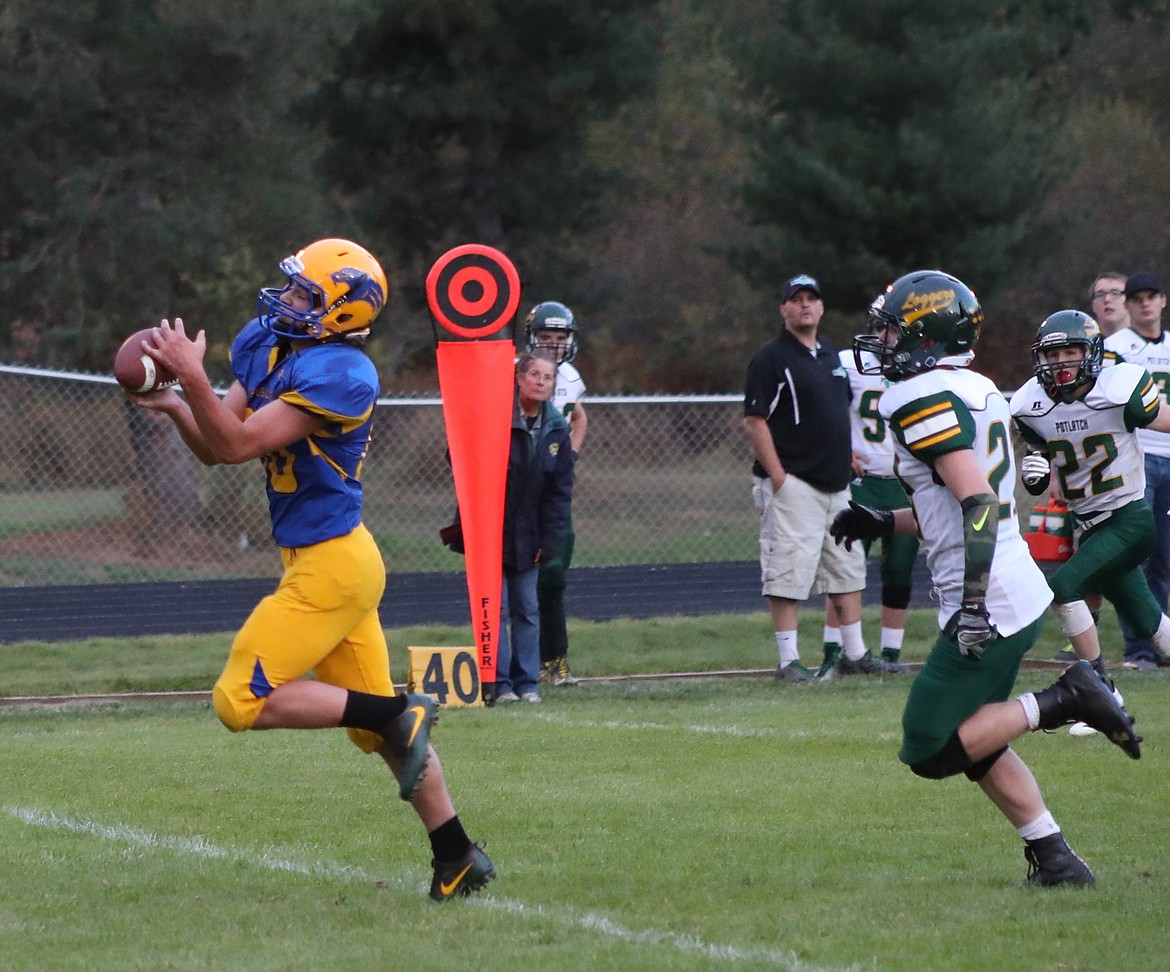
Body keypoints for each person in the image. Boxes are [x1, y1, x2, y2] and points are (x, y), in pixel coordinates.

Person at [126, 238, 494, 902]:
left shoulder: (344, 375)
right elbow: (221, 447)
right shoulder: (269, 343)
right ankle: (458, 855)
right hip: (335, 563)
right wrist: (185, 404)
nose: (288, 300)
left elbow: (236, 441)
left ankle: (398, 709)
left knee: (238, 700)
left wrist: (188, 372)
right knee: (374, 731)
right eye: (291, 287)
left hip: (334, 568)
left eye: (306, 295)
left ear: (346, 313)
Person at [831, 269, 1141, 888]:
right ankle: (1055, 859)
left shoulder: (915, 396)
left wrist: (971, 604)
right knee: (979, 741)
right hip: (1013, 583)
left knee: (928, 745)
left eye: (894, 331)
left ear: (927, 333)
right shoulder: (974, 386)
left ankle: (1067, 697)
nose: (882, 343)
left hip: (990, 595)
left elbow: (976, 503)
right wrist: (883, 519)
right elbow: (951, 503)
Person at [1011, 309, 1170, 735]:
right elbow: (1042, 446)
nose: (1060, 362)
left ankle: (1100, 688)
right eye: (1052, 354)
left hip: (1129, 519)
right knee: (1156, 632)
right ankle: (1106, 693)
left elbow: (1163, 419)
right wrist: (1038, 464)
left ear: (1092, 352)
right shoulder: (1031, 403)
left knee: (1063, 586)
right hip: (1091, 524)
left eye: (1070, 351)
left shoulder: (1120, 388)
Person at [743, 274, 893, 683]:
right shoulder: (771, 357)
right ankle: (788, 660)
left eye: (812, 298)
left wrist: (847, 454)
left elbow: (836, 413)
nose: (805, 305)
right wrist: (778, 477)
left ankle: (855, 654)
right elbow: (756, 420)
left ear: (822, 307)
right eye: (797, 299)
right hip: (796, 482)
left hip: (836, 482)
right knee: (789, 573)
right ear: (783, 309)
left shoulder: (830, 354)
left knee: (847, 568)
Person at [818, 319, 916, 678]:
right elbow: (825, 409)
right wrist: (842, 450)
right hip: (863, 479)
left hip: (902, 480)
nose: (882, 335)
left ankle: (891, 655)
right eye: (879, 326)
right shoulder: (850, 363)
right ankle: (835, 649)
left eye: (890, 328)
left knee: (899, 569)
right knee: (846, 565)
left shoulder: (919, 366)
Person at [490, 351, 575, 704]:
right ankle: (498, 682)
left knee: (526, 606)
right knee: (492, 608)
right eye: (534, 375)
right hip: (492, 530)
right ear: (519, 378)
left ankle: (527, 683)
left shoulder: (556, 428)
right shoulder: (496, 418)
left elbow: (559, 492)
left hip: (531, 535)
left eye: (548, 377)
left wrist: (549, 539)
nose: (540, 382)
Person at [1104, 271, 1170, 669]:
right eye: (1138, 298)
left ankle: (1161, 642)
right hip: (1137, 458)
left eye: (1152, 297)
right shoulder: (1115, 347)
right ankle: (1140, 648)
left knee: (1164, 557)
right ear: (1128, 305)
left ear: (1163, 301)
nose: (1146, 304)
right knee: (1136, 556)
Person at [525, 301, 587, 687]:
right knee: (515, 581)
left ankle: (555, 658)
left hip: (551, 491)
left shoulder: (571, 378)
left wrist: (569, 457)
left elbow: (579, 416)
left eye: (559, 338)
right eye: (545, 338)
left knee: (553, 575)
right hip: (521, 487)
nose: (552, 345)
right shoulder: (520, 372)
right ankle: (515, 662)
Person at [1089, 271, 1130, 338]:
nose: (1107, 299)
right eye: (1100, 295)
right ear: (1093, 305)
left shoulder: (1148, 345)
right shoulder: (1087, 346)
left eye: (1115, 293)